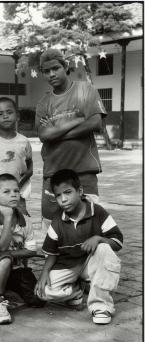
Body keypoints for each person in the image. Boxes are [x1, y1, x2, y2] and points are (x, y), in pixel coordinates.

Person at [35, 169, 123, 325]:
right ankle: (75, 292)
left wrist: (98, 238)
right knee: (43, 292)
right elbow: (52, 252)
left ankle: (101, 306)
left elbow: (118, 241)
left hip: (92, 264)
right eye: (58, 195)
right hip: (70, 266)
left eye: (67, 192)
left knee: (103, 247)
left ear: (80, 191)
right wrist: (44, 272)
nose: (63, 199)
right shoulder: (58, 219)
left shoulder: (98, 212)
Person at [35, 48, 107, 230]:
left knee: (88, 225)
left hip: (84, 171)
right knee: (52, 226)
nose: (51, 74)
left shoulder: (85, 89)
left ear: (65, 66)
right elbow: (44, 135)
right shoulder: (44, 103)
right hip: (54, 173)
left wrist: (56, 132)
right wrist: (78, 119)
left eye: (55, 68)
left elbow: (96, 123)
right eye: (46, 71)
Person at [0, 173, 45, 325]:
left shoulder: (25, 219)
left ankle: (6, 288)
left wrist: (9, 254)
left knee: (38, 300)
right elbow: (1, 247)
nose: (13, 195)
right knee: (4, 259)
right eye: (7, 192)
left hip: (16, 270)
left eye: (16, 191)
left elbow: (31, 250)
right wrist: (8, 218)